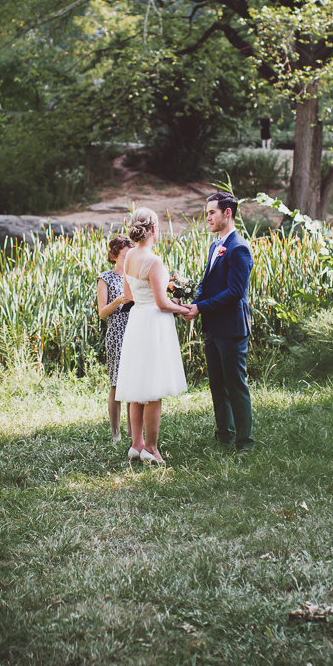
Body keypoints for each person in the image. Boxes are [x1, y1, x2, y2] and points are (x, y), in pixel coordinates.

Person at [115, 208, 191, 465]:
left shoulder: (128, 258)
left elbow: (129, 295)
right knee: (153, 390)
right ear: (154, 229)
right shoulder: (155, 261)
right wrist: (181, 307)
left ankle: (135, 445)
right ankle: (151, 448)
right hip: (153, 324)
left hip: (137, 320)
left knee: (137, 388)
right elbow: (161, 303)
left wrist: (160, 298)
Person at [183, 192, 255, 452]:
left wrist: (200, 307)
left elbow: (235, 292)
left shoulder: (239, 248)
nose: (208, 217)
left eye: (212, 212)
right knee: (216, 383)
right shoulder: (216, 245)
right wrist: (194, 302)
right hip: (213, 327)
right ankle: (223, 434)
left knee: (235, 384)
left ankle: (244, 442)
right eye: (207, 213)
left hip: (232, 328)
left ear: (228, 213)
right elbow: (208, 282)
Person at [96, 234, 135, 443]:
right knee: (117, 383)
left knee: (133, 383)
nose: (127, 261)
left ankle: (132, 431)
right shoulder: (105, 278)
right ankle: (115, 433)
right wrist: (120, 299)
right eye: (123, 257)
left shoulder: (135, 276)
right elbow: (102, 312)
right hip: (117, 333)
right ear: (114, 256)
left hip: (135, 330)